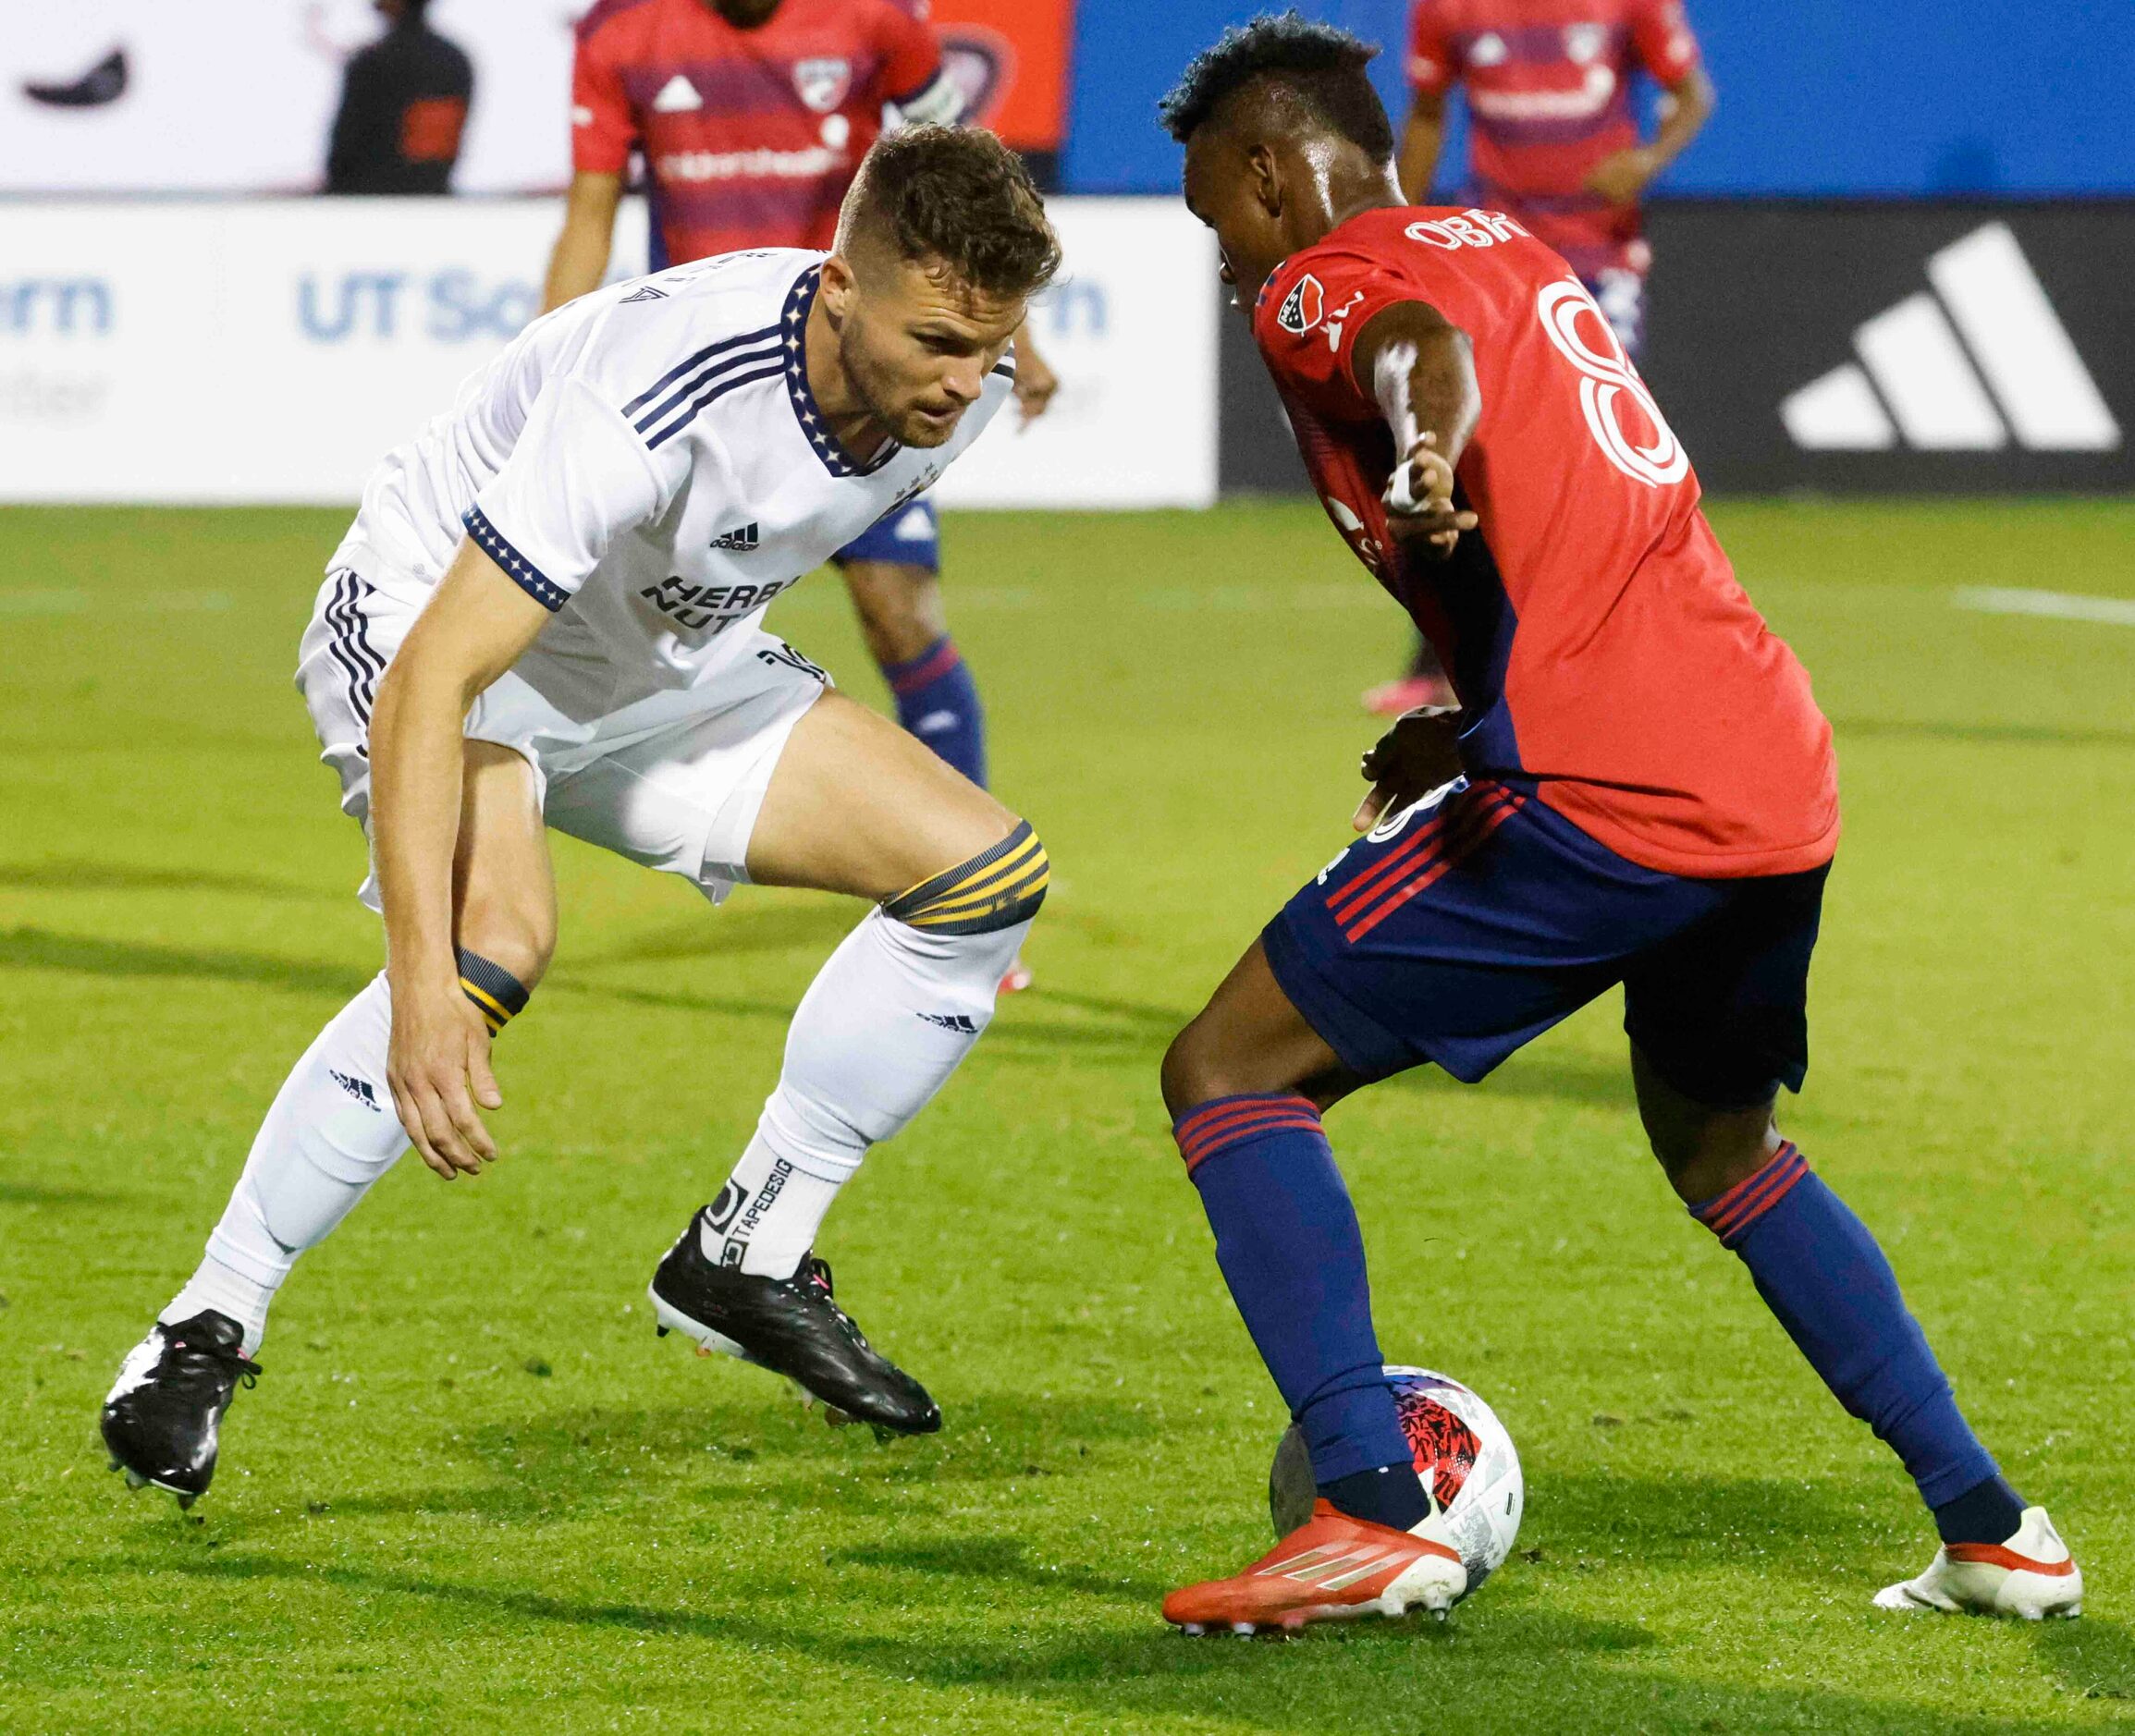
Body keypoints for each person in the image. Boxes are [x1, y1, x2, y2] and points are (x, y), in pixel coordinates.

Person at [1152, 16, 2080, 1632]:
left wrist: (1423, 441)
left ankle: (1372, 1510)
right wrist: (1472, 701)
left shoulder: (1325, 278)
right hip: (1761, 764)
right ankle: (1993, 1526)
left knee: (1227, 1070)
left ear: (1260, 168)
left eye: (1209, 218)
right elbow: (1569, 501)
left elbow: (1405, 353)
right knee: (1723, 1148)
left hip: (1605, 789)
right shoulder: (1508, 240)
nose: (1218, 257)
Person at [100, 128, 1061, 1509]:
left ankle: (747, 1252)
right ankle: (205, 1325)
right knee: (498, 939)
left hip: (652, 675)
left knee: (982, 873)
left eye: (994, 345)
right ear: (838, 287)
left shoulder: (949, 392)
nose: (968, 382)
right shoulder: (666, 387)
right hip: (446, 632)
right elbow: (438, 671)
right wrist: (425, 986)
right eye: (938, 342)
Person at [542, 0, 1058, 994]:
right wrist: (546, 368)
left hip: (856, 371)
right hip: (697, 389)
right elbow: (589, 216)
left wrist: (1011, 339)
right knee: (585, 615)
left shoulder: (877, 21)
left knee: (897, 612)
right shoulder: (622, 37)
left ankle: (968, 895)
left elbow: (970, 183)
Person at [1362, 0, 1715, 717]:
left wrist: (1647, 160)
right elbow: (1427, 114)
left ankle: (1624, 650)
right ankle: (1442, 662)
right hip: (1490, 250)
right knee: (1466, 449)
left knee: (1602, 454)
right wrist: (1391, 226)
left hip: (1599, 255)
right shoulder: (1447, 9)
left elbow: (1691, 95)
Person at [324, 0, 473, 196]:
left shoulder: (374, 62)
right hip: (432, 199)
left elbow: (345, 152)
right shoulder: (454, 61)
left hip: (365, 201)